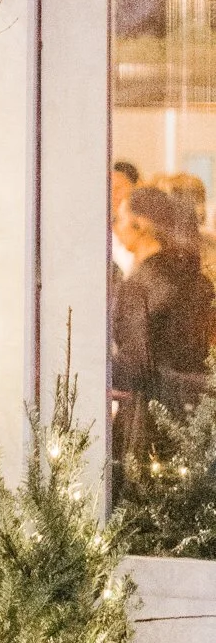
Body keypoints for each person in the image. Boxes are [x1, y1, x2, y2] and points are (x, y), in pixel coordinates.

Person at [111, 183, 215, 485]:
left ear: (139, 224)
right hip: (197, 414)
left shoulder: (139, 286)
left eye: (119, 218)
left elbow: (136, 367)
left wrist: (97, 370)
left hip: (151, 419)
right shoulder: (197, 279)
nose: (116, 228)